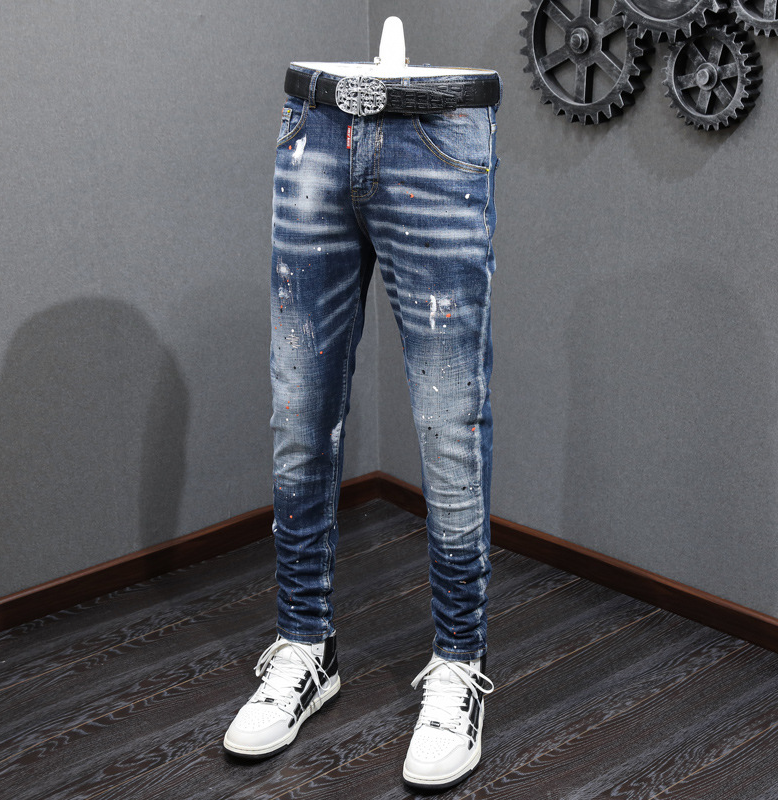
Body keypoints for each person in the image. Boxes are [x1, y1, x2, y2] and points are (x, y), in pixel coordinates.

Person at [224, 21, 501, 791]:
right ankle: (306, 648)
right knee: (299, 413)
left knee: (449, 422)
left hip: (441, 137)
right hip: (313, 129)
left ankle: (460, 663)